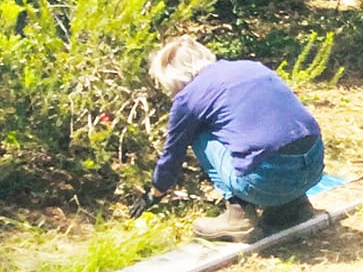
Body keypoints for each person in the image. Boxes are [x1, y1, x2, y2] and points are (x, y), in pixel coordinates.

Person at [129, 35, 325, 241]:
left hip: (266, 181)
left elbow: (173, 154)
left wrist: (154, 193)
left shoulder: (188, 97)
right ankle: (293, 207)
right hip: (313, 168)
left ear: (174, 77)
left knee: (197, 133)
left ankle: (238, 216)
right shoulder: (253, 68)